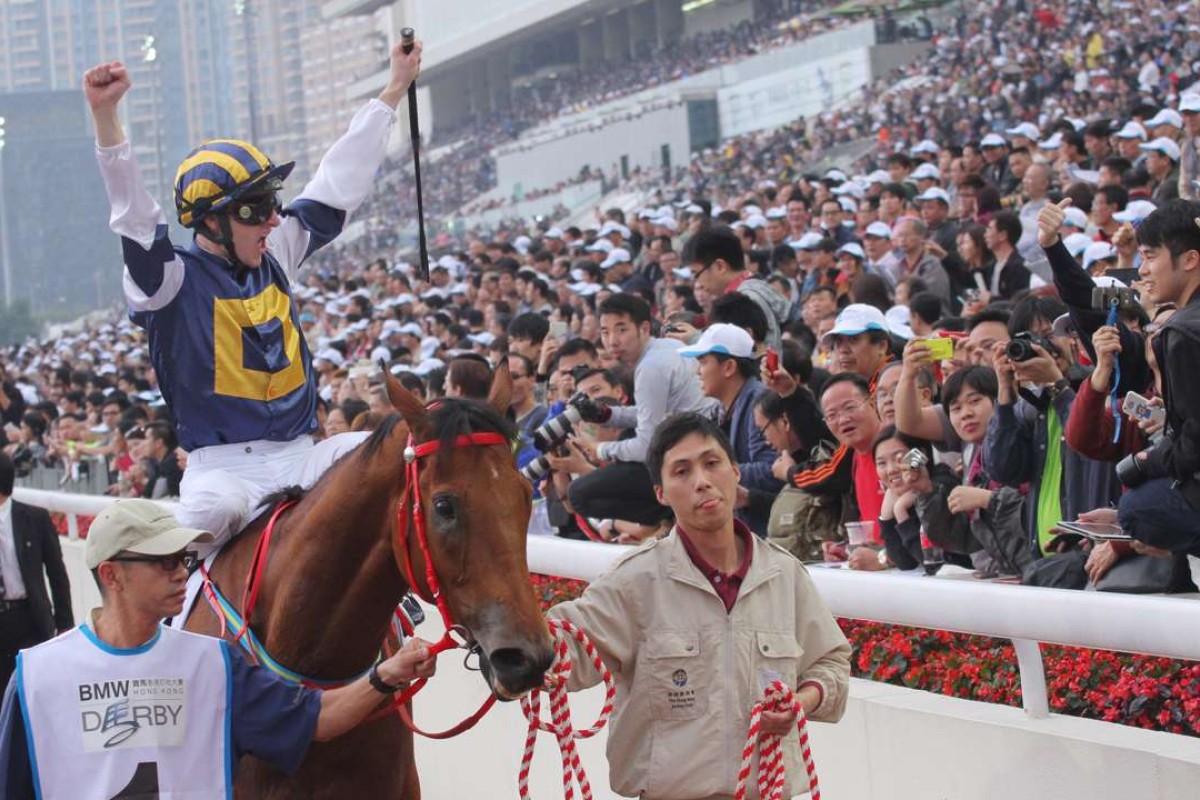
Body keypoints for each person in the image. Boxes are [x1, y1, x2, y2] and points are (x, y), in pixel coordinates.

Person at [82, 41, 423, 550]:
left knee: (399, 448)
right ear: (210, 222)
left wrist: (393, 89)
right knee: (214, 512)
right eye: (255, 209)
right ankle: (187, 596)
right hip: (223, 473)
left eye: (272, 204)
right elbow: (134, 219)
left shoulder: (275, 252)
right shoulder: (168, 280)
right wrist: (106, 117)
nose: (273, 220)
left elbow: (337, 184)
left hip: (303, 454)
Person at [0, 499, 436, 797]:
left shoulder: (215, 664)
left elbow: (316, 718)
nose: (181, 573)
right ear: (111, 575)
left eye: (185, 559)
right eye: (165, 561)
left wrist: (387, 674)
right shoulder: (37, 678)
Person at [547, 413, 850, 800]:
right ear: (661, 493)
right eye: (682, 471)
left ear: (735, 472)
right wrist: (501, 630)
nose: (702, 481)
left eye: (712, 463)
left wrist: (802, 701)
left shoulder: (784, 575)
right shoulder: (634, 581)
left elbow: (831, 663)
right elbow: (564, 653)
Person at [567, 294, 717, 526]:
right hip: (700, 438)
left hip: (693, 453)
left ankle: (670, 517)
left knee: (578, 494)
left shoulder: (650, 368)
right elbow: (651, 412)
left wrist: (599, 449)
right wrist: (608, 415)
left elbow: (645, 447)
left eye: (621, 330)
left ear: (644, 328)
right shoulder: (668, 346)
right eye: (605, 332)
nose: (612, 341)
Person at [0, 453, 72, 693]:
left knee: (33, 691)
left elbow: (57, 574)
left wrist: (65, 624)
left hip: (29, 618)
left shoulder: (34, 518)